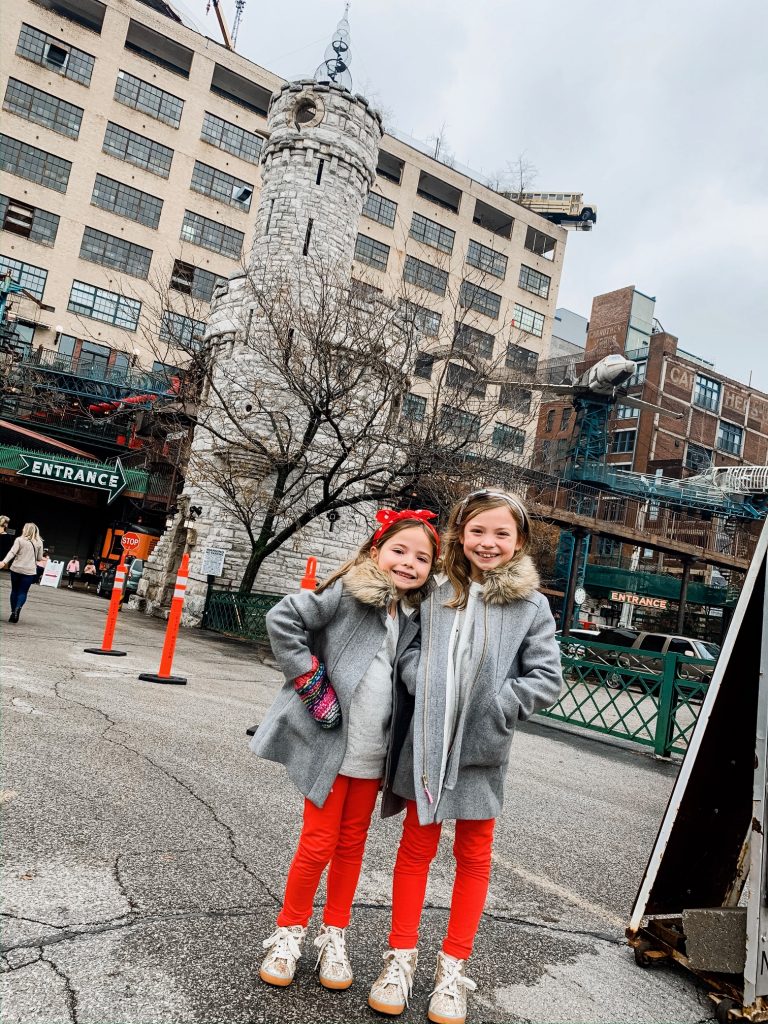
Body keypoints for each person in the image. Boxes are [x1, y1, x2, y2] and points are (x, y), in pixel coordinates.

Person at [368, 490, 563, 1024]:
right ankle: (400, 958)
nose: (488, 542)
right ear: (460, 534)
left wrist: (499, 706)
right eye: (478, 531)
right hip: (426, 744)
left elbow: (547, 677)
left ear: (519, 541)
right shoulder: (436, 592)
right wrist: (422, 681)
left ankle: (452, 969)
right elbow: (407, 650)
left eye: (502, 533)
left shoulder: (531, 606)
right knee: (416, 849)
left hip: (482, 750)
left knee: (474, 856)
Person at [251, 508, 440, 993]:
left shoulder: (417, 617)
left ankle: (334, 935)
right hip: (332, 746)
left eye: (422, 558)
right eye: (399, 551)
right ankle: (289, 932)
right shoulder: (349, 592)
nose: (409, 563)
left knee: (352, 845)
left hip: (374, 754)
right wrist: (310, 679)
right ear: (377, 551)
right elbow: (283, 617)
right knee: (317, 843)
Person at [0, 522, 44, 623]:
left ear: (26, 530)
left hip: (16, 569)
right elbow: (39, 558)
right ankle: (17, 609)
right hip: (29, 571)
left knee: (14, 591)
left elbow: (12, 552)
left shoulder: (19, 540)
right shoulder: (39, 542)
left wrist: (4, 562)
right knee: (23, 592)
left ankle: (13, 612)